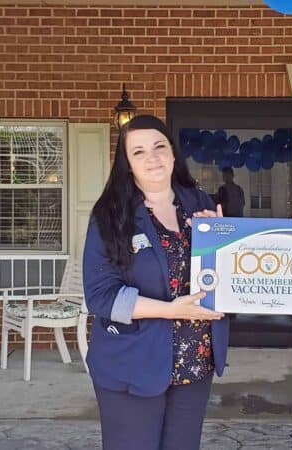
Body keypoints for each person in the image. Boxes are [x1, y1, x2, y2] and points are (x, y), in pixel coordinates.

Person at [83, 115, 229, 450]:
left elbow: (229, 274)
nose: (152, 157)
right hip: (132, 361)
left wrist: (224, 237)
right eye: (139, 151)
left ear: (173, 154)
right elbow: (101, 296)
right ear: (127, 163)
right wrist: (169, 310)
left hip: (195, 360)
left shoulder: (201, 204)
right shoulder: (110, 215)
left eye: (159, 146)